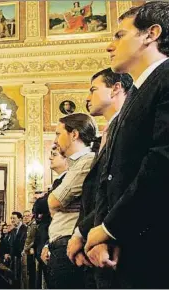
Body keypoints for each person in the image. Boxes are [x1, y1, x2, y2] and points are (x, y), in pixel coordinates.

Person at [83, 2, 169, 288]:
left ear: (151, 34)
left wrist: (110, 228)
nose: (110, 46)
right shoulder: (135, 94)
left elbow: (161, 162)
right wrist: (102, 232)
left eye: (119, 35)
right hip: (124, 246)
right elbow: (110, 175)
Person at [66, 68, 132, 288]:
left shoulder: (128, 128)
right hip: (93, 244)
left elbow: (117, 190)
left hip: (112, 245)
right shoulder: (106, 133)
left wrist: (83, 233)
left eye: (93, 89)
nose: (87, 97)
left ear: (116, 89)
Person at [47, 113, 96, 288]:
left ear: (74, 134)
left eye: (58, 134)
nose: (55, 141)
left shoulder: (86, 161)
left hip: (70, 243)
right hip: (62, 242)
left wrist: (61, 205)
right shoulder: (74, 165)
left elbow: (54, 202)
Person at [35, 145, 68, 288]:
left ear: (66, 159)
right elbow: (38, 206)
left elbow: (41, 205)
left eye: (54, 154)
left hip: (57, 243)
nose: (50, 157)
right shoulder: (57, 182)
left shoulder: (67, 180)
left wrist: (44, 199)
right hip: (49, 244)